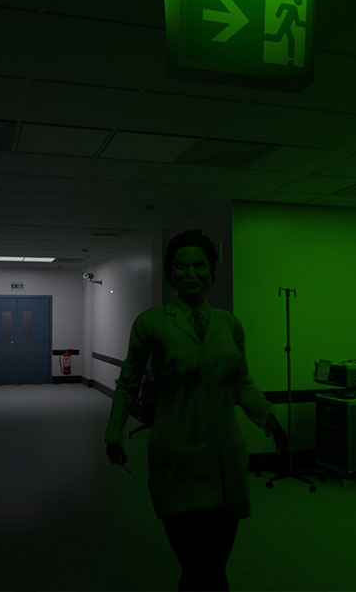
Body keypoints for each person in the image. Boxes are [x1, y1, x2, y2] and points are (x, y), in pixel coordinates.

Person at [104, 229, 290, 592]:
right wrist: (114, 431)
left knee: (213, 564)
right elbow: (129, 381)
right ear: (170, 274)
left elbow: (242, 383)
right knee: (201, 566)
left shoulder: (229, 324)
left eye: (200, 266)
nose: (191, 274)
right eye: (182, 266)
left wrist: (269, 418)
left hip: (226, 460)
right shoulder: (152, 323)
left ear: (211, 271)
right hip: (178, 457)